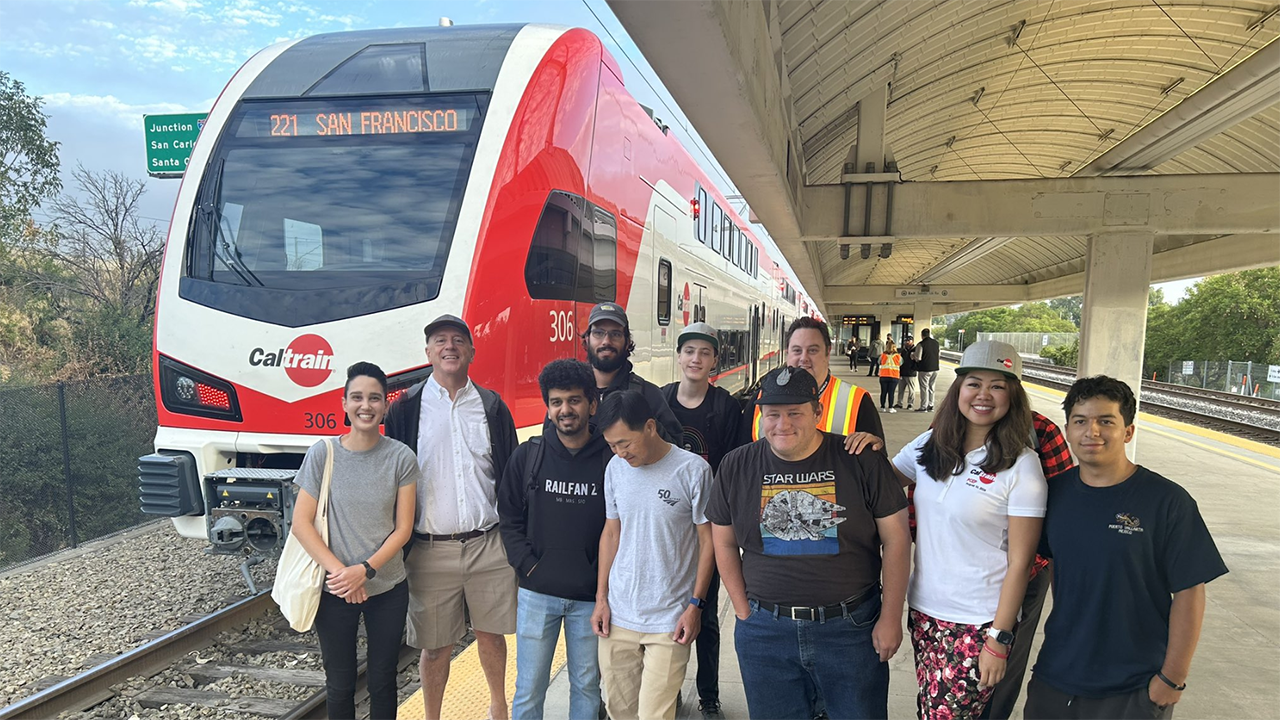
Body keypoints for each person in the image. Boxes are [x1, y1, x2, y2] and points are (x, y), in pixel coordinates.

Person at [709, 366, 910, 719]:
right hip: (765, 633)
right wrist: (743, 611)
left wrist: (891, 617)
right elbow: (723, 542)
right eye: (772, 414)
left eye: (794, 413)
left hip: (851, 630)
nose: (782, 424)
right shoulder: (736, 465)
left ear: (817, 412)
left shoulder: (861, 459)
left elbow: (896, 540)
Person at [1024, 376, 1228, 720]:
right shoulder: (1053, 495)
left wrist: (1172, 679)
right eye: (1081, 421)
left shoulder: (1167, 502)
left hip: (1133, 684)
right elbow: (1058, 567)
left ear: (1128, 431)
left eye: (1106, 421)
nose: (1092, 432)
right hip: (1055, 676)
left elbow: (1190, 593)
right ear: (1068, 430)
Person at [887, 341, 1047, 719]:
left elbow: (1021, 563)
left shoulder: (1023, 467)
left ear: (1013, 397)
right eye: (974, 383)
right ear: (958, 388)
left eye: (998, 386)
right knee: (930, 707)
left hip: (979, 622)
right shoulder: (930, 445)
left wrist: (1000, 639)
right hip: (925, 610)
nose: (984, 395)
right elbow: (882, 483)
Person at [384, 314, 519, 720]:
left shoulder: (492, 406)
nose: (449, 346)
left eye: (458, 340)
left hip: (488, 544)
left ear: (471, 352)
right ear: (427, 352)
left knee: (491, 636)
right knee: (434, 646)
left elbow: (510, 474)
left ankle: (499, 708)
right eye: (440, 340)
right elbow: (390, 474)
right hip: (429, 548)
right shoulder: (406, 408)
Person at [289, 362, 419, 719]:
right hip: (335, 590)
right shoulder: (323, 454)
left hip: (387, 587)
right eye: (358, 397)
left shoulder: (401, 458)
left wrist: (365, 570)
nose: (366, 405)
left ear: (384, 405)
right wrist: (343, 575)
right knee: (340, 683)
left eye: (375, 398)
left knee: (382, 679)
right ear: (344, 403)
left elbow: (403, 528)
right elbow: (301, 524)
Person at [592, 391, 715, 720]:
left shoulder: (693, 471)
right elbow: (611, 533)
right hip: (619, 613)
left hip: (669, 618)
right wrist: (601, 598)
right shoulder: (615, 470)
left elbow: (709, 541)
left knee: (654, 715)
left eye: (625, 443)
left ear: (649, 427)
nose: (619, 453)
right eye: (612, 446)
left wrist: (695, 606)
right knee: (619, 710)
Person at [498, 359, 611, 720]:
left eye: (575, 401)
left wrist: (602, 584)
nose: (565, 410)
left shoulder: (612, 460)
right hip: (536, 593)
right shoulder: (527, 456)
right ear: (547, 406)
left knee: (587, 687)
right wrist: (529, 566)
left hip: (589, 600)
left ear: (592, 405)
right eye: (557, 402)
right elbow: (509, 518)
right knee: (529, 689)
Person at [661, 323, 746, 718]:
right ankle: (670, 687)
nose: (696, 359)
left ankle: (708, 695)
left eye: (704, 353)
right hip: (668, 524)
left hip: (707, 526)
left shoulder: (727, 408)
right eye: (689, 351)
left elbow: (732, 467)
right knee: (667, 612)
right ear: (679, 357)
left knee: (705, 615)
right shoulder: (660, 403)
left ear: (715, 360)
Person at [741, 317, 883, 445]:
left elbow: (876, 464)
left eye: (813, 350)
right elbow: (742, 456)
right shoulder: (761, 399)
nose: (804, 358)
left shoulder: (857, 401)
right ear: (787, 353)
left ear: (828, 353)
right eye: (797, 350)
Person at [584, 302, 683, 442]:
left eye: (616, 334)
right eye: (598, 333)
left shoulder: (649, 395)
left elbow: (675, 450)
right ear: (587, 339)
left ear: (628, 342)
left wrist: (642, 421)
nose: (606, 341)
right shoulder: (571, 394)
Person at [915, 329, 940, 413]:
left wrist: (912, 356)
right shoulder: (936, 343)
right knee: (931, 387)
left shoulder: (921, 344)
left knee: (924, 387)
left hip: (925, 368)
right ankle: (931, 405)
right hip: (935, 368)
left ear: (922, 335)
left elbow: (918, 357)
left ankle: (923, 406)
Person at [877, 340, 901, 413]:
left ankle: (882, 406)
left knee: (883, 392)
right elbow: (901, 363)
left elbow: (879, 362)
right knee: (891, 392)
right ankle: (891, 407)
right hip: (894, 376)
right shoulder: (898, 356)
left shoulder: (883, 355)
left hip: (883, 376)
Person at [895, 335, 917, 410]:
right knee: (901, 389)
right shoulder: (903, 350)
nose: (907, 342)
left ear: (912, 341)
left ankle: (910, 403)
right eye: (905, 341)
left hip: (911, 373)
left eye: (908, 341)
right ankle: (899, 403)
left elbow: (917, 361)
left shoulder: (916, 349)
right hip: (903, 372)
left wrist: (914, 369)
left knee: (911, 389)